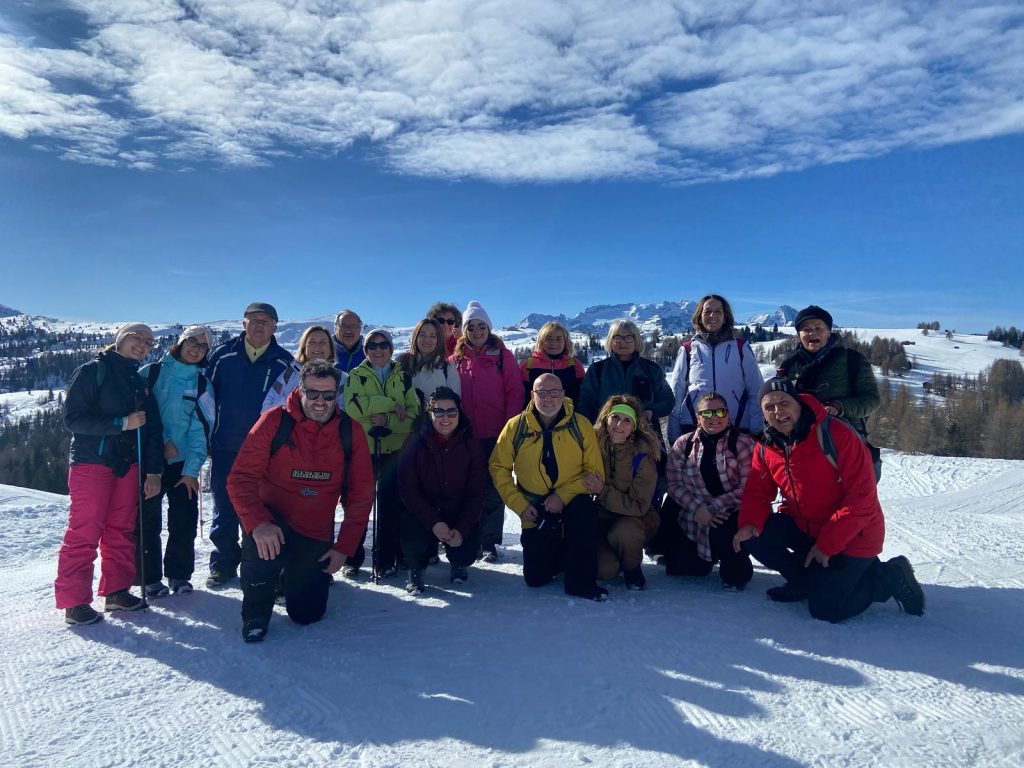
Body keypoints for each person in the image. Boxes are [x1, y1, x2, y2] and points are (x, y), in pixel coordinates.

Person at [733, 378, 925, 623]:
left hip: (854, 535)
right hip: (807, 528)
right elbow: (757, 492)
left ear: (799, 403)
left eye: (784, 403)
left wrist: (828, 544)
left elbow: (862, 498)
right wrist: (750, 522)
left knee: (826, 609)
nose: (778, 411)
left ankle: (889, 576)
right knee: (755, 536)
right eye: (769, 407)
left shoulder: (836, 434)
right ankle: (805, 582)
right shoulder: (767, 445)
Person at [227, 361, 374, 642]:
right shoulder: (274, 421)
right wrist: (257, 523)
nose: (321, 401)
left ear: (336, 395)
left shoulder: (349, 431)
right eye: (313, 393)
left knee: (307, 614)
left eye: (328, 395)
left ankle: (290, 577)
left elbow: (361, 494)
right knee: (262, 551)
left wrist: (344, 547)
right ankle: (256, 614)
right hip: (273, 524)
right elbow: (240, 478)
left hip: (314, 530)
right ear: (300, 390)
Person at [56, 322, 164, 625]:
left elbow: (152, 429)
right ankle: (74, 602)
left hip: (127, 465)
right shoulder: (93, 370)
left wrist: (153, 471)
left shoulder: (137, 380)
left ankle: (116, 591)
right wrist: (120, 424)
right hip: (92, 463)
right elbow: (72, 419)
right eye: (136, 338)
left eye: (148, 342)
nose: (142, 345)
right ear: (119, 339)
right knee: (85, 532)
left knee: (120, 528)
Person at [490, 373, 608, 601]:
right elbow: (498, 468)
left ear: (564, 395)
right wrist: (520, 506)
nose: (548, 398)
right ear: (532, 395)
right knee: (536, 579)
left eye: (554, 392)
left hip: (573, 500)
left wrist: (562, 496)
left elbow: (594, 473)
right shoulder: (515, 427)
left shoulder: (580, 425)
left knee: (584, 511)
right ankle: (560, 556)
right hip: (533, 506)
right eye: (541, 392)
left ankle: (581, 583)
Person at [205, 302, 297, 588]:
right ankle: (223, 563)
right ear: (243, 323)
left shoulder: (284, 362)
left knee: (261, 506)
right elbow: (206, 399)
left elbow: (291, 409)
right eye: (253, 320)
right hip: (226, 445)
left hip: (265, 450)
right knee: (224, 506)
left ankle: (258, 564)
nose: (259, 325)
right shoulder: (222, 356)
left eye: (266, 321)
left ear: (275, 326)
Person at [137, 325, 216, 598]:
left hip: (183, 465)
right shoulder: (151, 374)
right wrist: (161, 444)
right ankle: (149, 578)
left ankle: (179, 575)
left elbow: (202, 430)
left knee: (183, 522)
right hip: (149, 463)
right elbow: (137, 417)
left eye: (202, 346)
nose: (195, 348)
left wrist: (192, 470)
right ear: (180, 343)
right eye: (191, 342)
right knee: (147, 522)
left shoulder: (203, 385)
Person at [343, 328, 420, 578]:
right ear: (365, 351)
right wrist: (389, 405)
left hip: (393, 449)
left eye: (383, 345)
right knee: (359, 505)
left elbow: (413, 415)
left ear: (390, 348)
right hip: (363, 449)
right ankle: (352, 558)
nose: (378, 350)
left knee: (390, 507)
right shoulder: (356, 375)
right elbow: (354, 409)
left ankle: (385, 559)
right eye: (372, 346)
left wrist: (387, 423)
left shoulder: (403, 377)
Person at [450, 301, 522, 563]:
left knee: (493, 489)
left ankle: (489, 541)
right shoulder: (454, 360)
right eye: (472, 326)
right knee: (467, 489)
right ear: (464, 330)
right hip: (464, 436)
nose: (477, 330)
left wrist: (509, 427)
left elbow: (515, 392)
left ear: (489, 328)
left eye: (482, 326)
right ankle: (469, 537)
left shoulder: (503, 356)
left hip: (496, 434)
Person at [777, 305, 882, 480]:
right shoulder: (788, 367)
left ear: (829, 331)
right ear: (799, 335)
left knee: (854, 500)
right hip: (802, 446)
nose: (812, 333)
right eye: (806, 329)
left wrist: (839, 407)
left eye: (819, 328)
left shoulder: (852, 360)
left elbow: (871, 400)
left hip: (846, 444)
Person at [663, 391, 755, 590]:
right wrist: (698, 509)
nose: (714, 418)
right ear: (698, 418)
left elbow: (749, 487)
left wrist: (713, 508)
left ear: (728, 415)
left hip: (731, 511)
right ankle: (705, 555)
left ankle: (735, 567)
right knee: (679, 568)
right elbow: (673, 483)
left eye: (720, 412)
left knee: (728, 545)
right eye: (706, 414)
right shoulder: (684, 444)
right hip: (695, 514)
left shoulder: (743, 443)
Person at [398, 387, 484, 594]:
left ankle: (458, 561)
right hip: (424, 512)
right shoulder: (414, 441)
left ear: (458, 413)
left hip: (456, 512)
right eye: (439, 411)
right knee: (409, 525)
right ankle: (416, 568)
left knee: (465, 551)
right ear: (429, 413)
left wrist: (462, 529)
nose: (445, 417)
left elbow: (477, 493)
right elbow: (407, 489)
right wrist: (433, 522)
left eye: (451, 411)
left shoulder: (470, 443)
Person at [584, 395, 660, 591]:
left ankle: (632, 569)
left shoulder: (642, 456)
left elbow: (638, 505)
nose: (619, 424)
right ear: (606, 419)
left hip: (633, 518)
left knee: (625, 532)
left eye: (627, 420)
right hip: (599, 519)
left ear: (634, 426)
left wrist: (602, 491)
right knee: (605, 571)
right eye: (615, 417)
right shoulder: (591, 444)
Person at [667, 294, 764, 444]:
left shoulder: (740, 347)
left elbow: (756, 389)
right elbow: (676, 392)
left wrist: (756, 430)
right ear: (700, 316)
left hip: (736, 426)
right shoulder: (687, 349)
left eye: (718, 311)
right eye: (707, 311)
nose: (712, 315)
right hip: (694, 426)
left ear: (725, 317)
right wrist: (674, 433)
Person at [576, 319, 674, 447]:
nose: (623, 342)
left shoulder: (651, 369)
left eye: (629, 338)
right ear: (611, 341)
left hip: (645, 439)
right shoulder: (597, 370)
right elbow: (585, 405)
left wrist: (651, 411)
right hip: (606, 439)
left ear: (636, 341)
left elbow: (668, 400)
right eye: (617, 338)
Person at [397, 318, 461, 416]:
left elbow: (455, 402)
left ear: (438, 339)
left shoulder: (447, 367)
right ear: (416, 336)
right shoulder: (401, 362)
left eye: (432, 336)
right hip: (403, 426)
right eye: (423, 335)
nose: (427, 340)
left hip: (435, 428)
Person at [520, 321, 586, 405]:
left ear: (565, 342)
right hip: (534, 416)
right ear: (541, 341)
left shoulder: (574, 365)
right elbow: (520, 396)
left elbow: (583, 396)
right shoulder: (528, 365)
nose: (553, 343)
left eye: (559, 339)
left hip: (570, 415)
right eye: (548, 339)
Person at [297, 324, 347, 396]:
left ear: (330, 350)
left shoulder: (343, 379)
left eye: (323, 342)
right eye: (312, 342)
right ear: (304, 348)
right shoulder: (290, 376)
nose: (317, 346)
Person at [333, 309, 365, 374]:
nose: (348, 330)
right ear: (336, 329)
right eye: (343, 326)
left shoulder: (369, 355)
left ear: (359, 329)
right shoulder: (324, 353)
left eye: (352, 326)